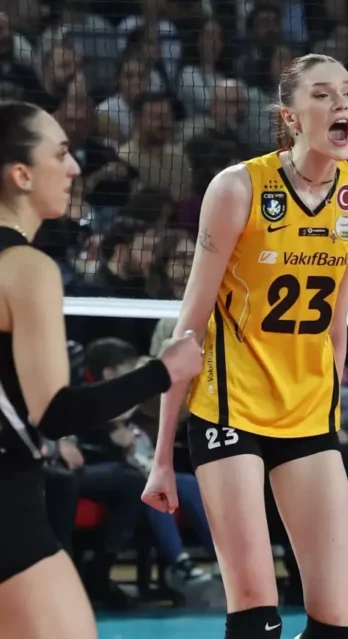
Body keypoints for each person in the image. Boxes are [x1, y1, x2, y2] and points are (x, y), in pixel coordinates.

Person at [142, 53, 348, 639]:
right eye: (323, 95)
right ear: (290, 117)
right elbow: (189, 325)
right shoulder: (238, 189)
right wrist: (162, 455)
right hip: (230, 407)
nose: (342, 105)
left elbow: (336, 319)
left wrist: (331, 411)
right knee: (257, 616)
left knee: (339, 625)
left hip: (307, 410)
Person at [0, 100, 202, 639]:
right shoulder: (25, 268)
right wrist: (163, 371)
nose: (74, 168)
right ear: (21, 174)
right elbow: (56, 413)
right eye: (60, 153)